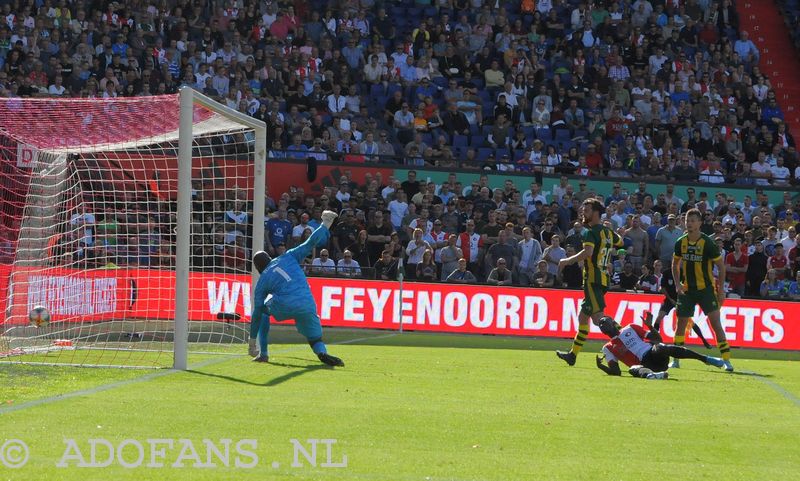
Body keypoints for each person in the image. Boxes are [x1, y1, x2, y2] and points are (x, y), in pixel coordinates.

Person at [248, 210, 344, 367]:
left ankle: (263, 353)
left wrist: (252, 340)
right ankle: (322, 352)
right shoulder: (288, 256)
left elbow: (257, 311)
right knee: (315, 338)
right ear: (270, 258)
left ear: (258, 268)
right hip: (307, 303)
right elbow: (310, 243)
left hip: (284, 303)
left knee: (263, 312)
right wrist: (325, 224)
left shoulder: (263, 280)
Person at [556, 198, 623, 366]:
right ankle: (573, 355)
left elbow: (587, 253)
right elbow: (620, 241)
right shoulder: (607, 232)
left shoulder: (590, 232)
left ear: (596, 213)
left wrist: (566, 261)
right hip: (603, 278)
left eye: (586, 210)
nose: (583, 213)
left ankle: (631, 340)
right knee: (583, 317)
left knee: (599, 319)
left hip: (592, 279)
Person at [672, 209, 733, 371]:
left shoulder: (707, 243)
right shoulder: (680, 242)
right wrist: (678, 284)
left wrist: (720, 291)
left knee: (715, 323)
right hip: (687, 290)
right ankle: (676, 360)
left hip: (706, 290)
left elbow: (721, 267)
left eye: (692, 220)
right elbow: (674, 264)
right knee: (681, 324)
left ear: (699, 223)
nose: (689, 223)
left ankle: (726, 360)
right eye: (687, 220)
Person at [594, 315, 726, 380]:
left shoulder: (630, 328)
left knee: (660, 347)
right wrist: (602, 367)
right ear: (603, 331)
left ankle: (705, 359)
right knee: (632, 369)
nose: (604, 325)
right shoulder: (608, 348)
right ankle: (653, 376)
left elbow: (658, 339)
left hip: (653, 354)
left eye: (605, 322)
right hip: (644, 365)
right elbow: (616, 372)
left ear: (613, 322)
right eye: (601, 325)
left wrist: (650, 326)